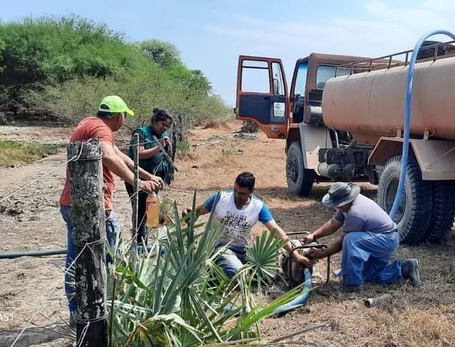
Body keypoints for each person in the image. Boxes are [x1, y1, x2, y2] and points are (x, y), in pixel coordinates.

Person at [59, 95, 162, 316]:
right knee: (104, 256)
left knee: (77, 257)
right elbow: (107, 155)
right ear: (117, 116)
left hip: (72, 202)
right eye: (124, 116)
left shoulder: (89, 123)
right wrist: (137, 183)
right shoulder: (102, 129)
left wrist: (145, 175)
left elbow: (120, 156)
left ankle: (79, 312)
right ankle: (97, 310)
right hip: (91, 206)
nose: (124, 120)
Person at [184, 172, 311, 277]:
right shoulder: (220, 198)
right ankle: (211, 268)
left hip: (241, 249)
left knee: (268, 273)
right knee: (237, 272)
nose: (238, 196)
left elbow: (275, 230)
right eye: (235, 191)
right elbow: (197, 212)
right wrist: (188, 213)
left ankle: (220, 270)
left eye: (242, 193)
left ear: (252, 191)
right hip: (217, 247)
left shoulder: (258, 206)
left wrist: (295, 254)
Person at [303, 182, 421, 292]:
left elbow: (343, 239)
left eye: (337, 205)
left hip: (386, 239)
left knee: (350, 240)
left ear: (345, 201)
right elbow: (334, 222)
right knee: (369, 275)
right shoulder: (348, 204)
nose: (336, 208)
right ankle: (405, 268)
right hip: (381, 237)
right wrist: (314, 235)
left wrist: (324, 253)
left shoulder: (356, 213)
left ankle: (352, 285)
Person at [125, 107, 174, 244]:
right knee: (140, 211)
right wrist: (159, 147)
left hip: (154, 179)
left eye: (167, 126)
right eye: (163, 125)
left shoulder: (162, 135)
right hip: (138, 179)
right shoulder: (141, 133)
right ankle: (140, 243)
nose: (165, 128)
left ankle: (150, 240)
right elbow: (138, 154)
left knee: (152, 210)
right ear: (155, 121)